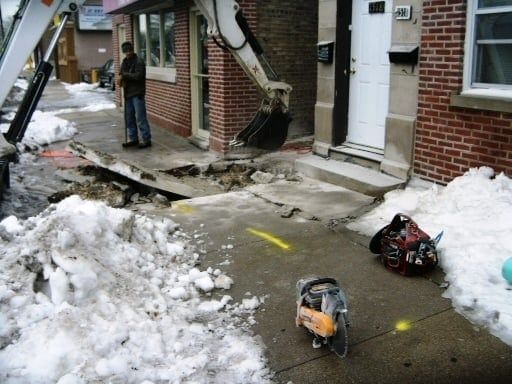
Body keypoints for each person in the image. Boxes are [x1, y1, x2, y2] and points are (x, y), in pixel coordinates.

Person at [118, 41, 152, 149]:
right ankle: (133, 139)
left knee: (140, 118)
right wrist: (122, 77)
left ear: (132, 50)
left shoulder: (139, 62)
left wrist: (125, 75)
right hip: (128, 93)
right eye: (126, 51)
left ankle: (146, 139)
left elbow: (138, 76)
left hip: (138, 93)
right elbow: (121, 73)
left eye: (129, 51)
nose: (128, 53)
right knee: (129, 118)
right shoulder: (124, 62)